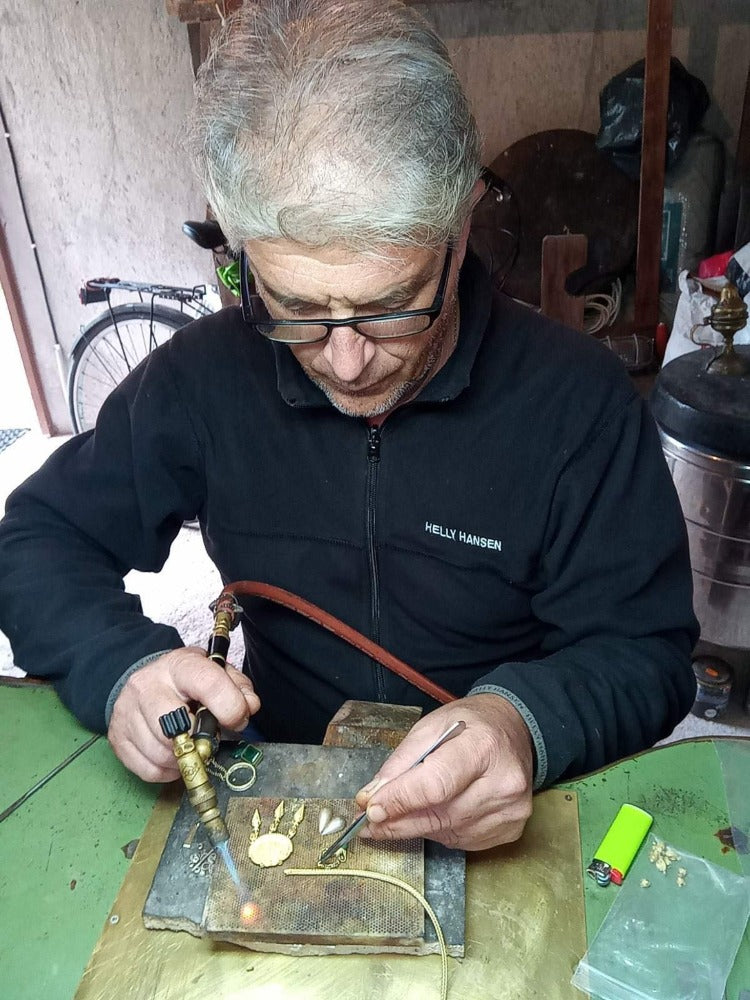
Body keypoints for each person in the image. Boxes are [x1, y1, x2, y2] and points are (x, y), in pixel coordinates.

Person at [0, 0, 697, 853]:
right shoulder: (204, 377)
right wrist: (121, 668)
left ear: (461, 223)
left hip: (501, 818)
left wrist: (527, 723)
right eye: (293, 306)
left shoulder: (579, 405)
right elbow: (36, 537)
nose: (344, 361)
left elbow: (646, 652)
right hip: (279, 789)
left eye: (392, 306)